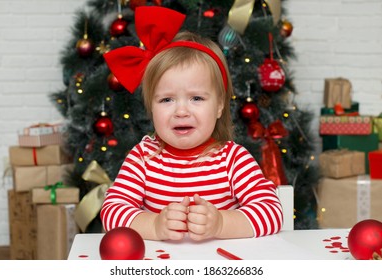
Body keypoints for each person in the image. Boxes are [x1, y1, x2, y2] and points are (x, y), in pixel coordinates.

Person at [101, 6, 283, 241]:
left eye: (196, 98)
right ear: (151, 107)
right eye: (167, 99)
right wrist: (154, 225)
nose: (181, 111)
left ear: (219, 106)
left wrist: (221, 224)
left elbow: (272, 211)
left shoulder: (233, 159)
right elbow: (111, 211)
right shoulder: (143, 158)